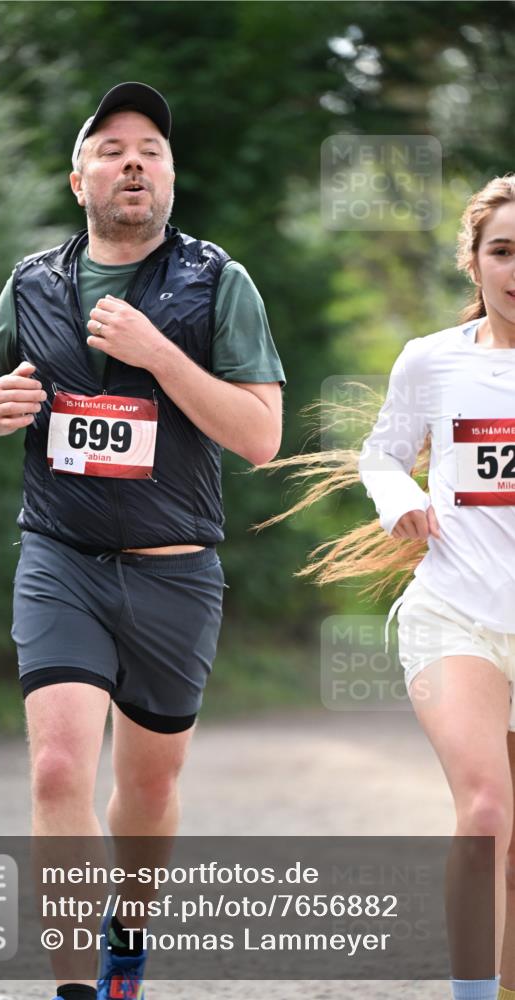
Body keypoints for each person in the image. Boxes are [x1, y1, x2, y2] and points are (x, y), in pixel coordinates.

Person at [0, 82, 284, 1000]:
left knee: (144, 790)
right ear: (78, 179)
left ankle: (127, 944)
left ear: (171, 176)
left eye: (150, 148)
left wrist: (157, 354)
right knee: (60, 762)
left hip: (172, 574)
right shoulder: (33, 282)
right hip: (60, 557)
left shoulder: (218, 281)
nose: (132, 160)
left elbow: (259, 436)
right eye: (110, 148)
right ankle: (72, 990)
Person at [260, 175, 515, 1000]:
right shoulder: (431, 361)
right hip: (454, 614)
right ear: (472, 264)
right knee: (484, 813)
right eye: (501, 251)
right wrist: (401, 497)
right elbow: (379, 453)